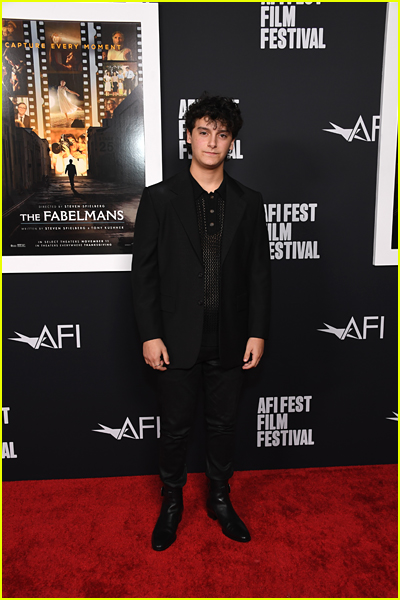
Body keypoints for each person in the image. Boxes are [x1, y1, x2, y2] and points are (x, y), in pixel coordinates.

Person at [131, 95, 271, 551]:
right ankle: (172, 502)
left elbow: (258, 273)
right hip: (175, 340)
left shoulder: (250, 203)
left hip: (230, 338)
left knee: (224, 425)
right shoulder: (159, 199)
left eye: (222, 134)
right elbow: (144, 274)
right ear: (188, 136)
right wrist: (151, 334)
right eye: (204, 132)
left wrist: (257, 330)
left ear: (232, 142)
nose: (213, 142)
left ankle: (219, 498)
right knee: (174, 429)